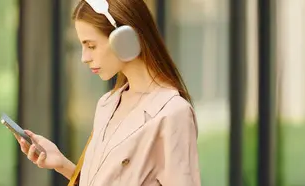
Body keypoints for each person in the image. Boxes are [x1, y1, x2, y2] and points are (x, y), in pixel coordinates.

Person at [13, 0, 201, 185]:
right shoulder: (107, 104)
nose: (84, 58)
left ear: (124, 40)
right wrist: (61, 164)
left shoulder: (173, 113)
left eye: (91, 46)